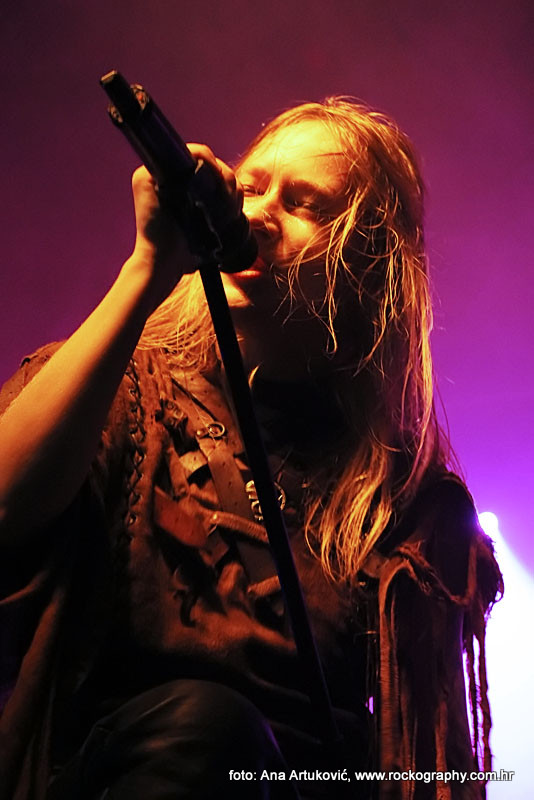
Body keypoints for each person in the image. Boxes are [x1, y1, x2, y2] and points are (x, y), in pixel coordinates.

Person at [0, 98, 502, 800]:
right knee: (208, 728)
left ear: (369, 266)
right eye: (249, 189)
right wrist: (147, 270)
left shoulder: (403, 503)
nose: (256, 216)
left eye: (303, 204)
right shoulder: (124, 390)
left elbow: (428, 769)